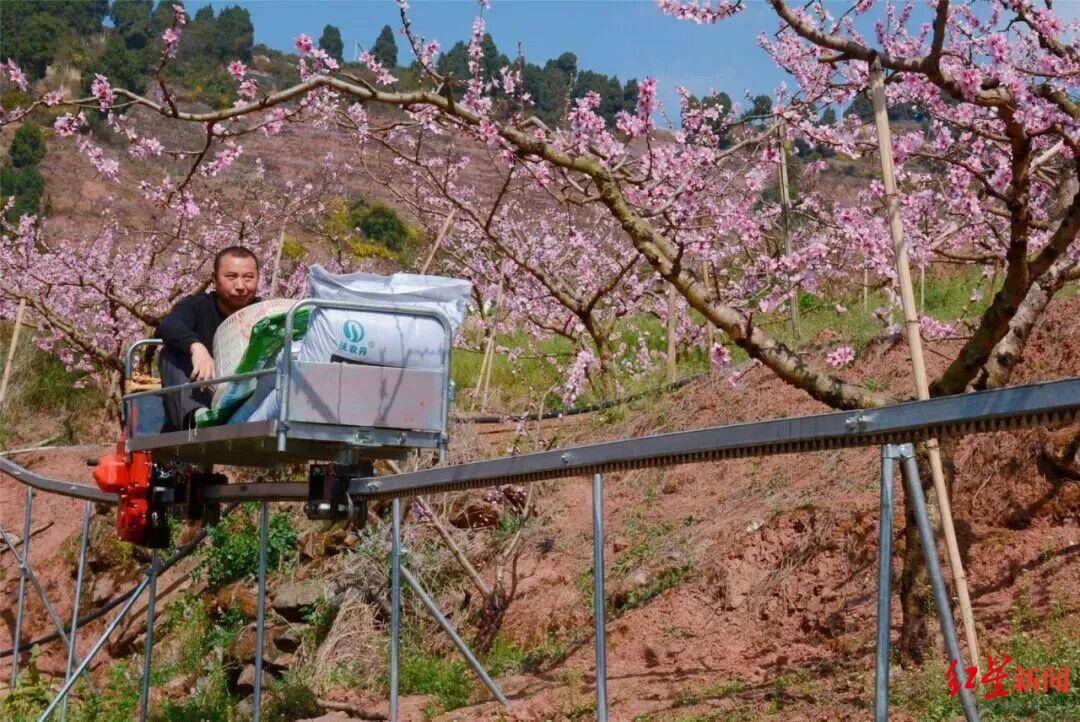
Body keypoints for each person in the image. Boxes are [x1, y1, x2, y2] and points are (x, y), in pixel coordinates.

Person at [156, 246, 261, 431]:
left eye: (248, 277)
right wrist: (196, 347)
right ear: (214, 279)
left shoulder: (264, 311)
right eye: (231, 277)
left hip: (246, 397)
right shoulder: (197, 305)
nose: (240, 286)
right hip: (201, 394)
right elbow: (169, 325)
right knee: (169, 352)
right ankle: (194, 420)